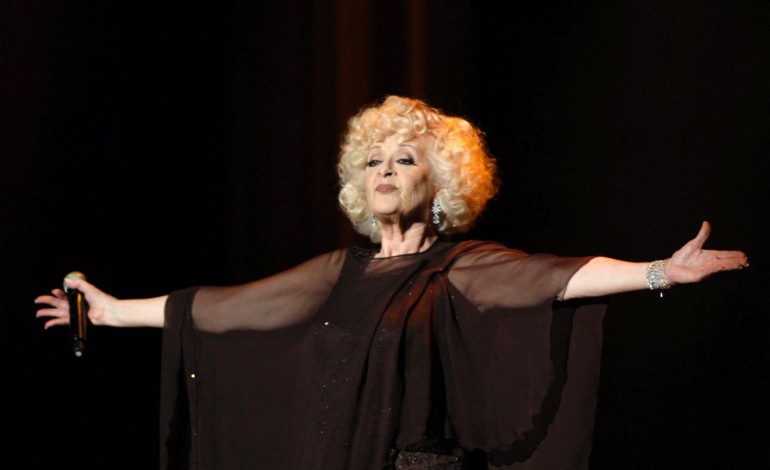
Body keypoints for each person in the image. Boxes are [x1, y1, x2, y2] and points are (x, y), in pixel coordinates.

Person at [35, 95, 748, 470]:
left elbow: (553, 279)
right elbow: (223, 310)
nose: (384, 170)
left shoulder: (459, 265)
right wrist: (112, 312)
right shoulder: (336, 272)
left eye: (404, 159)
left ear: (438, 185)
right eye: (373, 160)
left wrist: (661, 271)